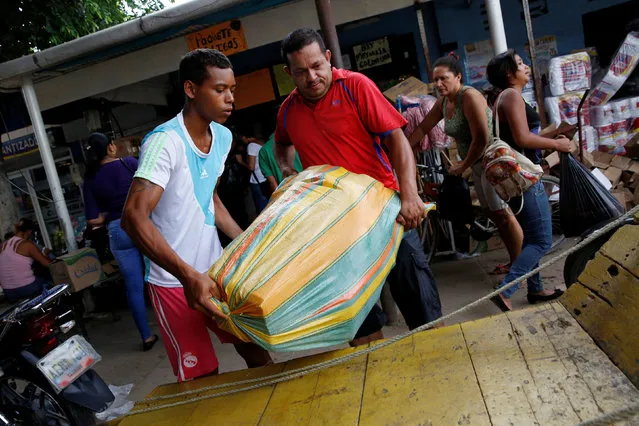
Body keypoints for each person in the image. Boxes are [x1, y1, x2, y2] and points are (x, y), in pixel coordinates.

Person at [273, 28, 442, 345]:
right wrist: (286, 170)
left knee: (422, 307)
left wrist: (409, 195)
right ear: (288, 73)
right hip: (335, 229)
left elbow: (397, 140)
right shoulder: (288, 111)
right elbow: (281, 146)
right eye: (300, 71)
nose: (311, 77)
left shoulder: (355, 87)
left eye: (316, 66)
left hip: (388, 215)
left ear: (327, 59)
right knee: (359, 323)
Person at [121, 49, 271, 382]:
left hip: (215, 272)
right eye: (219, 90)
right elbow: (133, 217)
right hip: (173, 283)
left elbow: (209, 198)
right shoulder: (164, 143)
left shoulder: (223, 136)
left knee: (256, 351)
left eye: (232, 89)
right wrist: (188, 275)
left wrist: (246, 239)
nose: (230, 98)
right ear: (191, 90)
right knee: (204, 378)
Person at [408, 55, 523, 276]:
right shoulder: (443, 102)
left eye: (444, 78)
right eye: (435, 80)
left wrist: (463, 165)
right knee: (494, 214)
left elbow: (481, 137)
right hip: (476, 165)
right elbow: (422, 129)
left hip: (490, 160)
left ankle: (521, 270)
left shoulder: (469, 97)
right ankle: (514, 262)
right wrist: (403, 149)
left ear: (458, 77)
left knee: (505, 215)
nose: (439, 84)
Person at [486, 50, 571, 311]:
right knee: (542, 241)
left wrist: (556, 134)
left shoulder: (504, 97)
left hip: (516, 181)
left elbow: (518, 137)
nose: (525, 67)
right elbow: (522, 139)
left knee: (531, 239)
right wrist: (557, 143)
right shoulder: (511, 96)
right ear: (509, 74)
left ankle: (536, 289)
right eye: (520, 63)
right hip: (525, 179)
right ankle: (507, 290)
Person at [82, 132, 158, 351]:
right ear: (110, 148)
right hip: (144, 223)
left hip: (118, 230)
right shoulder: (130, 163)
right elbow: (153, 188)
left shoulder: (91, 179)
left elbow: (93, 219)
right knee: (159, 277)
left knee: (133, 287)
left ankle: (146, 337)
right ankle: (172, 325)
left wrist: (109, 215)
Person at [0, 218, 52, 301]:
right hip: (26, 288)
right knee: (51, 284)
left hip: (8, 291)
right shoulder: (27, 244)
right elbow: (47, 263)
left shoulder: (3, 245)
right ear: (29, 231)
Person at [235, 132, 269, 213]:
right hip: (265, 177)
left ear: (246, 137)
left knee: (261, 208)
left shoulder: (251, 146)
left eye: (242, 137)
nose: (242, 139)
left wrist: (240, 162)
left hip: (257, 180)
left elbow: (251, 167)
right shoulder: (262, 143)